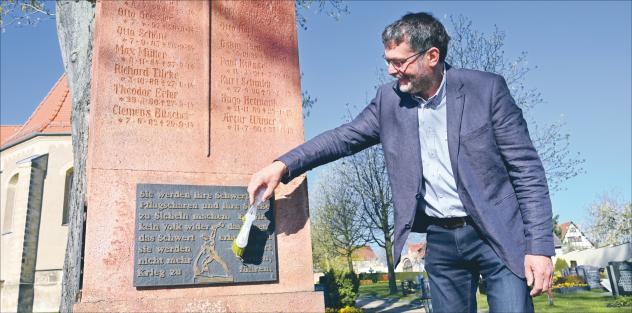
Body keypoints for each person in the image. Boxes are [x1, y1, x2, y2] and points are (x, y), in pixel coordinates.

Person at [247, 12, 553, 313]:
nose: (392, 71)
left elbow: (526, 170)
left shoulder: (485, 90)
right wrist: (282, 165)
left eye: (399, 62)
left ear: (432, 56)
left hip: (495, 234)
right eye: (388, 61)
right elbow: (343, 138)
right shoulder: (389, 101)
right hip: (441, 240)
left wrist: (539, 248)